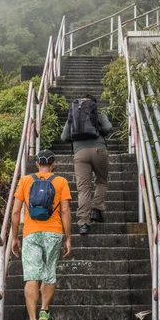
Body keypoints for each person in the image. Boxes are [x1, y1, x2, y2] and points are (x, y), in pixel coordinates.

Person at [11, 149, 72, 320]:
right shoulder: (60, 182)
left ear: (37, 164)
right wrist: (68, 238)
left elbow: (15, 213)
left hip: (31, 233)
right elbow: (65, 211)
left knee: (31, 277)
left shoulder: (25, 181)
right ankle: (44, 309)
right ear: (53, 164)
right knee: (49, 271)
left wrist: (15, 237)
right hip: (53, 233)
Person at [61, 94, 112, 235]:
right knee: (101, 181)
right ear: (94, 104)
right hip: (99, 150)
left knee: (83, 189)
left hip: (80, 153)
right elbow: (108, 128)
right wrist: (97, 131)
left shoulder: (73, 116)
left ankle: (83, 223)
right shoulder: (99, 114)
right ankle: (97, 209)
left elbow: (64, 137)